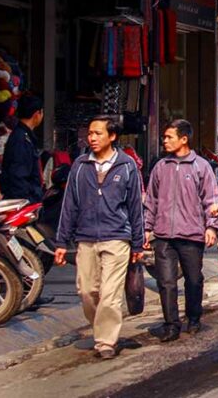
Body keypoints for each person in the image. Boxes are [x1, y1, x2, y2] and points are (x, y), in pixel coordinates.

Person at [55, 116, 144, 360]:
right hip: (86, 238)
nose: (91, 138)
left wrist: (138, 242)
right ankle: (100, 327)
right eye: (90, 134)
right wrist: (61, 242)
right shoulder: (80, 165)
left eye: (97, 133)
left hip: (117, 238)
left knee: (110, 293)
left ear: (112, 136)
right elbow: (69, 205)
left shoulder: (127, 166)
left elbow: (136, 207)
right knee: (87, 292)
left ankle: (106, 341)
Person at [143, 120, 218, 343]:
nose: (164, 141)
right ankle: (171, 325)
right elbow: (152, 200)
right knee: (166, 282)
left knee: (193, 279)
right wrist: (148, 228)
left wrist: (211, 227)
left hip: (191, 234)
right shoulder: (161, 166)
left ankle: (194, 318)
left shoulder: (201, 166)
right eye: (164, 137)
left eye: (169, 137)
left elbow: (211, 199)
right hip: (164, 236)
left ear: (184, 139)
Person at [0, 94, 45, 203]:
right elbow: (18, 176)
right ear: (37, 114)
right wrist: (27, 201)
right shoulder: (21, 139)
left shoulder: (22, 136)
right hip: (21, 202)